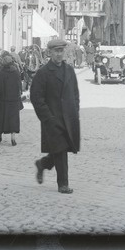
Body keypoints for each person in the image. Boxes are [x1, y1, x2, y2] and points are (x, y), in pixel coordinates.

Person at [30, 38, 80, 195]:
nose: (59, 54)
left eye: (61, 51)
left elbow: (75, 93)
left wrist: (75, 111)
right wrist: (47, 118)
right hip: (53, 118)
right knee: (61, 150)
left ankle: (42, 164)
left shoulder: (69, 70)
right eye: (56, 51)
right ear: (49, 53)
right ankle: (63, 184)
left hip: (69, 118)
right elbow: (36, 98)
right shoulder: (43, 73)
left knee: (62, 148)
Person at [0, 53, 23, 145]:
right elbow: (19, 84)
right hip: (14, 100)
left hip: (3, 99)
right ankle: (13, 138)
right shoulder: (16, 71)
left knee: (1, 117)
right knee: (13, 118)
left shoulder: (1, 72)